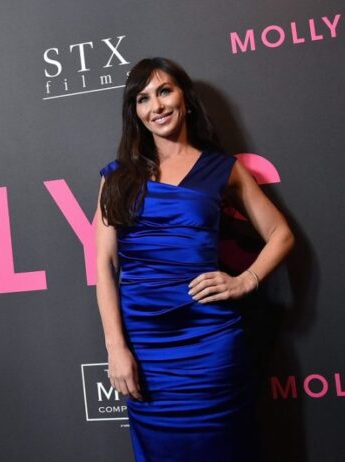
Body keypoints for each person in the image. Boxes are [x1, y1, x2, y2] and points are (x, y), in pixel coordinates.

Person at [95, 57, 294, 461]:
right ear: (135, 112)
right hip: (147, 348)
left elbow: (281, 234)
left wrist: (245, 280)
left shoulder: (223, 169)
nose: (156, 106)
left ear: (184, 98)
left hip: (211, 342)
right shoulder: (117, 177)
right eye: (143, 98)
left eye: (164, 91)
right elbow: (103, 264)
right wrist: (116, 348)